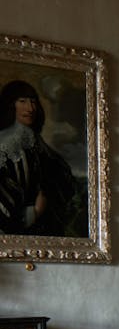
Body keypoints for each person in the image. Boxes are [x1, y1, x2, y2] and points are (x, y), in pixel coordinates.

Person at [0, 80, 77, 236]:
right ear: (10, 105)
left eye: (33, 102)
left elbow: (61, 174)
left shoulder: (34, 139)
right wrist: (33, 212)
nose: (30, 108)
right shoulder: (6, 143)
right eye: (22, 101)